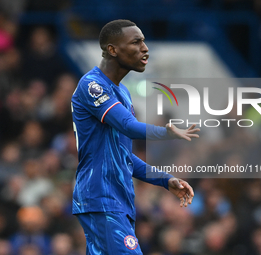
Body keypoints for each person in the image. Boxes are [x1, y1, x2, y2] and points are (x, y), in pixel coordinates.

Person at [71, 19, 200, 254]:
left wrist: (165, 179)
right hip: (101, 197)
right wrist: (164, 132)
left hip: (118, 201)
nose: (145, 47)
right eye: (136, 41)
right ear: (113, 49)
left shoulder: (123, 92)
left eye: (144, 41)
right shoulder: (92, 85)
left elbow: (123, 155)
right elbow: (128, 126)